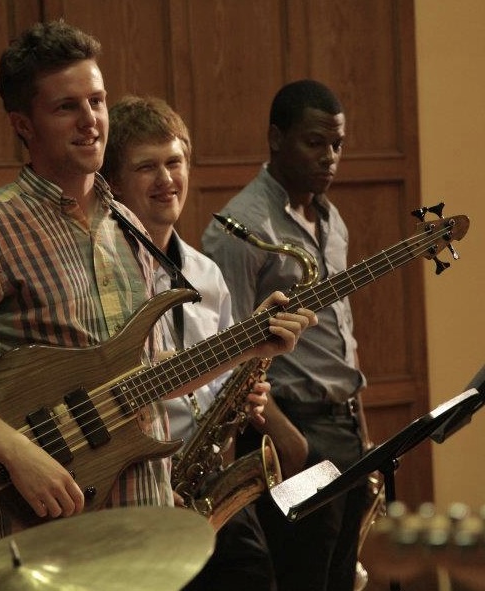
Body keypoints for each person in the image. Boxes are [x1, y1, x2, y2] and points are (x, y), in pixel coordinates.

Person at [0, 20, 315, 541]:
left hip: (149, 521)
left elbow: (149, 378)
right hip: (58, 530)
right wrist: (16, 452)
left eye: (97, 101)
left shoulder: (129, 226)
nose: (90, 121)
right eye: (67, 107)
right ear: (23, 125)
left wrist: (248, 344)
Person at [102, 95, 280, 591]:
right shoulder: (105, 279)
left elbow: (216, 382)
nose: (166, 179)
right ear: (113, 183)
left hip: (208, 483)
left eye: (175, 162)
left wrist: (242, 394)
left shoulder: (207, 274)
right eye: (147, 167)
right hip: (140, 493)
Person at [202, 79, 370, 591]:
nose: (329, 157)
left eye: (337, 144)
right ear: (277, 138)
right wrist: (290, 443)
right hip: (290, 429)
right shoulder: (241, 227)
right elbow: (227, 349)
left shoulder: (331, 218)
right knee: (302, 577)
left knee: (340, 577)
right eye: (315, 142)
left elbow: (341, 332)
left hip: (342, 426)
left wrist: (359, 428)